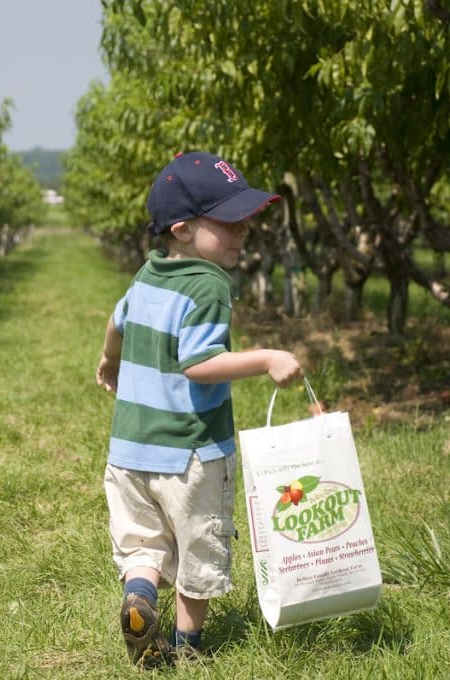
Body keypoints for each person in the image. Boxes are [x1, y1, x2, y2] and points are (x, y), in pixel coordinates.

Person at [95, 151, 303, 668]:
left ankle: (140, 596)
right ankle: (188, 651)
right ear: (184, 228)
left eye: (247, 221)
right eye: (230, 223)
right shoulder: (209, 286)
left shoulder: (148, 273)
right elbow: (200, 363)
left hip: (129, 451)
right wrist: (267, 359)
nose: (243, 233)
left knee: (142, 542)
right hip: (191, 453)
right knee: (199, 549)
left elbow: (116, 322)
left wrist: (108, 360)